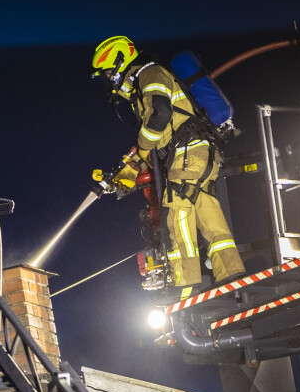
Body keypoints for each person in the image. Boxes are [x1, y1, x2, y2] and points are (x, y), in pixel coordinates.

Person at [92, 35, 245, 300]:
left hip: (187, 152)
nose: (110, 80)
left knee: (177, 213)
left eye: (108, 72)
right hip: (199, 151)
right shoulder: (147, 81)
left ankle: (186, 285)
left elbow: (160, 115)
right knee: (209, 217)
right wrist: (130, 168)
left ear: (120, 61)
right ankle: (232, 276)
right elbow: (157, 135)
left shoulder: (149, 73)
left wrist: (140, 150)